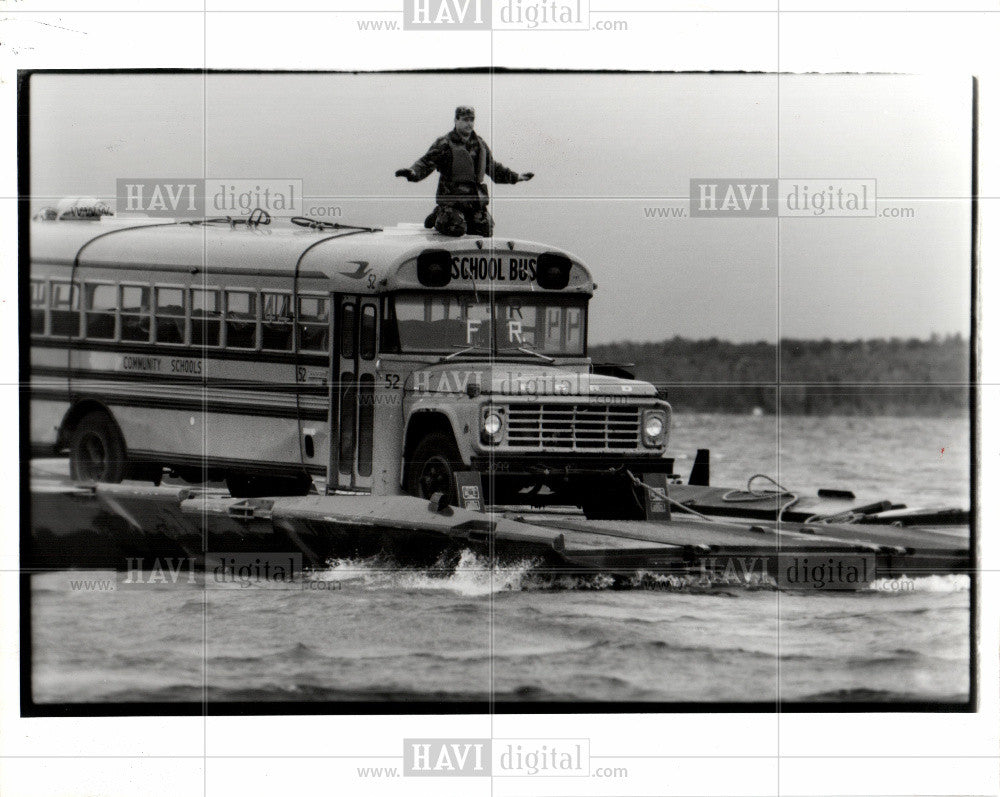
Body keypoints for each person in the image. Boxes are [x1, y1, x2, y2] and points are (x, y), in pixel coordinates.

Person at [395, 106, 534, 237]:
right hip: (452, 201)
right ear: (456, 120)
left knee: (485, 230)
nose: (469, 123)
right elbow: (426, 162)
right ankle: (439, 214)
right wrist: (413, 172)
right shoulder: (445, 143)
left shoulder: (479, 144)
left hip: (474, 202)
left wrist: (516, 177)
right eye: (465, 120)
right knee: (456, 227)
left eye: (471, 120)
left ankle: (455, 217)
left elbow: (493, 167)